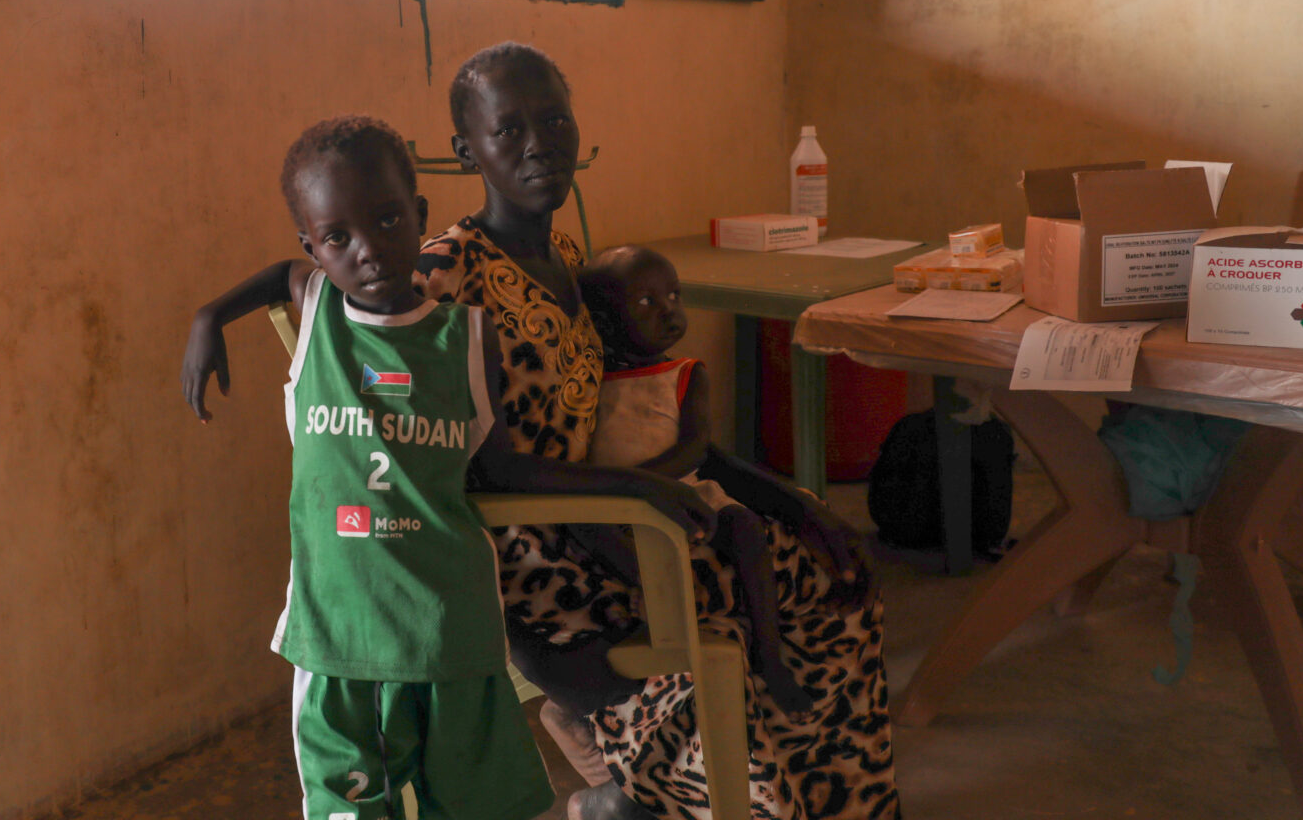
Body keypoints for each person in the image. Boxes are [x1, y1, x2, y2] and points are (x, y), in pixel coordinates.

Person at [417, 41, 900, 820]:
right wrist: (640, 492)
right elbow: (481, 466)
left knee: (834, 570)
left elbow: (635, 413)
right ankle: (669, 798)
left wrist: (792, 499)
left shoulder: (567, 255)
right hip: (536, 557)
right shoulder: (447, 269)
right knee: (758, 600)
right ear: (465, 148)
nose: (539, 145)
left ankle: (834, 803)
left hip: (619, 515)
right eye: (509, 130)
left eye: (555, 122)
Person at [180, 116, 710, 820]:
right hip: (339, 637)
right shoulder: (317, 314)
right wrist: (207, 317)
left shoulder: (466, 338)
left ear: (420, 217)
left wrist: (638, 484)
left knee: (472, 808)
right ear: (314, 246)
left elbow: (503, 473)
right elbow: (281, 277)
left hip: (452, 631)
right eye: (338, 238)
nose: (367, 250)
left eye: (389, 219)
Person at [576, 244, 814, 716]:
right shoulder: (587, 379)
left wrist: (637, 482)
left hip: (681, 489)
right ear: (602, 320)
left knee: (744, 527)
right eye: (646, 302)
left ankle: (768, 651)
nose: (669, 311)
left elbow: (694, 449)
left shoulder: (685, 374)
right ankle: (657, 626)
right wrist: (619, 491)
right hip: (614, 501)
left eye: (674, 296)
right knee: (590, 532)